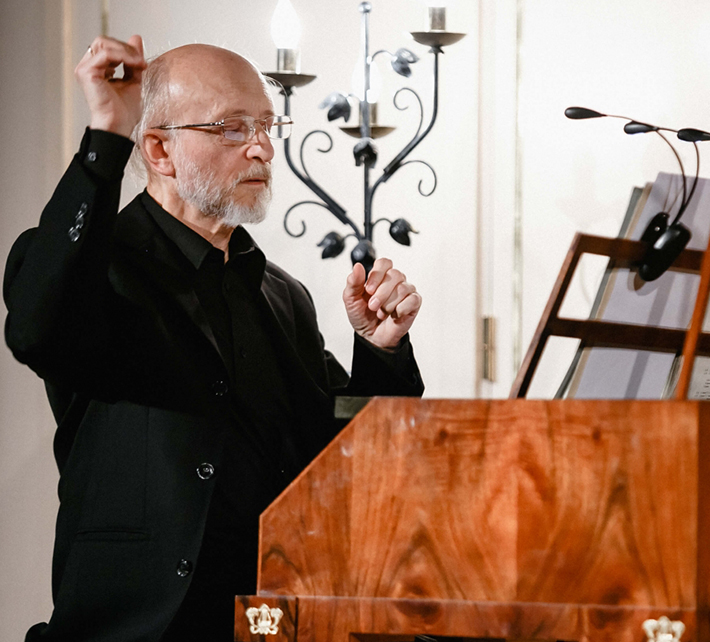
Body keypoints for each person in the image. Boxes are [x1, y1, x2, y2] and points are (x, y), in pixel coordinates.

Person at [3, 34, 424, 642]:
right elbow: (38, 327)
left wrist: (379, 350)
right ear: (159, 150)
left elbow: (344, 460)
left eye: (266, 125)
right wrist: (105, 141)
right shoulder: (98, 269)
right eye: (230, 128)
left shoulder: (284, 296)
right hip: (135, 628)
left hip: (272, 622)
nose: (261, 147)